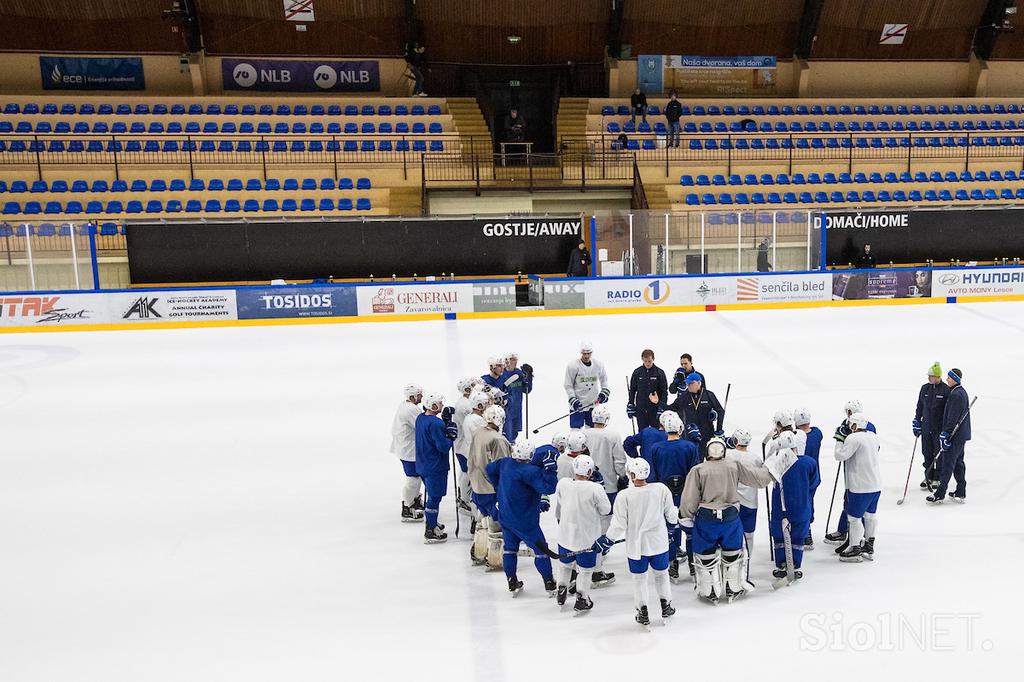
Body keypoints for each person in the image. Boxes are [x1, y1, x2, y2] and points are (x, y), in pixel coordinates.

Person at [681, 436, 787, 603]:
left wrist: (686, 515)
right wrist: (772, 469)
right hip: (730, 518)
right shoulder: (733, 466)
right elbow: (759, 479)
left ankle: (708, 589)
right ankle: (734, 587)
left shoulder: (698, 470)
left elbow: (689, 498)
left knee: (705, 555)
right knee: (733, 553)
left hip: (706, 519)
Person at [593, 457, 679, 627]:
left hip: (636, 547)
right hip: (659, 544)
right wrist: (672, 526)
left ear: (632, 474)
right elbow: (672, 515)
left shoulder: (624, 495)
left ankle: (642, 611)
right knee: (662, 575)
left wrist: (607, 539)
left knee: (639, 579)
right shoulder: (661, 489)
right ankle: (666, 606)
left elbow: (618, 524)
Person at [486, 440, 558, 596]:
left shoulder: (505, 463)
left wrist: (498, 488)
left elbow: (489, 468)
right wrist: (550, 470)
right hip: (526, 521)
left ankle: (512, 581)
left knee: (510, 549)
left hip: (505, 517)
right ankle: (549, 583)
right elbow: (548, 488)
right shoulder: (530, 471)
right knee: (541, 551)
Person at [647, 411, 700, 583]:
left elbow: (652, 477)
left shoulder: (656, 448)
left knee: (670, 531)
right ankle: (693, 564)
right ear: (679, 428)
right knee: (691, 531)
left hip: (665, 496)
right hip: (687, 495)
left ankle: (672, 564)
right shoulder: (690, 447)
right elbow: (696, 474)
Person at [554, 454, 611, 612]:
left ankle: (561, 589)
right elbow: (606, 510)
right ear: (590, 472)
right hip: (587, 539)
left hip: (565, 535)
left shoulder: (563, 483)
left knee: (565, 565)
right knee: (585, 571)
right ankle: (582, 598)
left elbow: (560, 501)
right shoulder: (595, 488)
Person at [824, 400, 877, 546]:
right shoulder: (849, 424)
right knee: (849, 503)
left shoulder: (867, 428)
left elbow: (841, 454)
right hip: (862, 475)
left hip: (859, 476)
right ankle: (848, 533)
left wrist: (841, 440)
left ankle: (856, 541)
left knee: (856, 512)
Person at [769, 433, 820, 579]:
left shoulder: (774, 463)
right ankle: (795, 565)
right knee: (798, 537)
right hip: (801, 507)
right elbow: (814, 482)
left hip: (780, 508)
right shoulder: (808, 462)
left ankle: (781, 565)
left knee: (779, 536)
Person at [833, 412, 881, 561]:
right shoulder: (874, 437)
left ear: (854, 425)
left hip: (859, 486)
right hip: (875, 484)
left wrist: (839, 440)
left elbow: (839, 456)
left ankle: (854, 547)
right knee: (870, 516)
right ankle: (869, 544)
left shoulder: (853, 438)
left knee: (854, 518)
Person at [468, 405, 511, 566]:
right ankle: (495, 558)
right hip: (491, 489)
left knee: (482, 520)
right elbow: (503, 468)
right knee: (496, 525)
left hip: (477, 486)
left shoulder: (478, 432)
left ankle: (479, 552)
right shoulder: (498, 440)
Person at [415, 393, 458, 543]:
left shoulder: (421, 418)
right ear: (433, 405)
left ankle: (432, 523)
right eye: (438, 403)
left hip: (422, 464)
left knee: (432, 495)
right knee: (434, 498)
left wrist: (445, 423)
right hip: (435, 467)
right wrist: (451, 437)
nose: (441, 405)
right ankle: (431, 529)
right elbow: (443, 447)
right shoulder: (435, 424)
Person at [927, 368, 971, 504]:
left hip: (954, 437)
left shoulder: (956, 395)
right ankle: (961, 491)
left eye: (949, 378)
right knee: (958, 463)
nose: (947, 380)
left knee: (948, 464)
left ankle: (940, 494)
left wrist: (945, 434)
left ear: (955, 379)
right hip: (960, 436)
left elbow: (952, 417)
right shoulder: (960, 392)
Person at [390, 383, 425, 522]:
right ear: (413, 396)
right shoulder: (411, 409)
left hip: (405, 448)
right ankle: (407, 505)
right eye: (419, 394)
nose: (422, 396)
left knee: (415, 478)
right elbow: (422, 425)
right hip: (409, 450)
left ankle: (414, 500)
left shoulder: (405, 405)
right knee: (413, 479)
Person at [914, 361, 950, 490]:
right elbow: (920, 406)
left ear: (938, 377)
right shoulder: (925, 388)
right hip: (926, 427)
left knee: (938, 454)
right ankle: (928, 475)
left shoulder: (946, 390)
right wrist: (917, 421)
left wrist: (946, 430)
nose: (929, 378)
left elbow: (948, 412)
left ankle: (937, 477)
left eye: (931, 376)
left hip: (938, 428)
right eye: (928, 376)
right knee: (926, 452)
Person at [669, 372, 724, 451]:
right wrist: (657, 403)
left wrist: (719, 429)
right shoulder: (684, 396)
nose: (689, 385)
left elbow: (720, 411)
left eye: (691, 383)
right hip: (690, 435)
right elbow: (671, 408)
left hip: (707, 433)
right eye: (687, 383)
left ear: (699, 383)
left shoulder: (708, 395)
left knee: (707, 459)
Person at [793, 408, 822, 548]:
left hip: (801, 475)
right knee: (809, 500)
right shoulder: (817, 433)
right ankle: (806, 529)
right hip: (814, 474)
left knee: (803, 504)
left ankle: (805, 533)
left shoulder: (796, 437)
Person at [563, 340, 609, 429]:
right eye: (584, 353)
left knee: (592, 433)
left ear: (591, 353)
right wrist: (573, 399)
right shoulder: (573, 366)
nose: (586, 356)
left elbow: (604, 380)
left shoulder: (598, 365)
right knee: (575, 434)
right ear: (581, 353)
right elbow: (568, 385)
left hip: (593, 405)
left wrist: (604, 393)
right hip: (577, 406)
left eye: (588, 353)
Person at [452, 377, 481, 513]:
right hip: (463, 445)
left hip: (463, 444)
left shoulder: (466, 401)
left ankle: (463, 496)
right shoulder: (465, 406)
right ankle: (464, 499)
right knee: (467, 472)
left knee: (465, 471)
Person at [628, 349, 668, 430]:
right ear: (642, 359)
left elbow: (664, 391)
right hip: (641, 409)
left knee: (656, 432)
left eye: (649, 361)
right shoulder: (637, 372)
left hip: (655, 409)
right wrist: (631, 404)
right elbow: (632, 390)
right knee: (642, 432)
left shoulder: (659, 373)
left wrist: (662, 406)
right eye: (645, 361)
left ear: (653, 359)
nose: (647, 363)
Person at [498, 351, 533, 442]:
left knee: (514, 433)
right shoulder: (502, 374)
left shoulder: (519, 373)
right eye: (512, 359)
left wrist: (529, 377)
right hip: (506, 409)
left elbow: (527, 390)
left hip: (517, 408)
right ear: (506, 361)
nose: (514, 362)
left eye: (515, 359)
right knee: (506, 433)